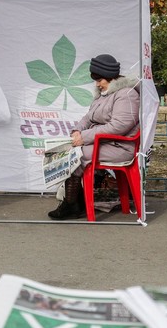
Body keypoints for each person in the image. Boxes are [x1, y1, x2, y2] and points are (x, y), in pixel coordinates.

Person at [48, 54, 141, 220]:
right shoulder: (104, 94)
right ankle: (75, 201)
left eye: (99, 80)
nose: (97, 84)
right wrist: (77, 131)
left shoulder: (127, 95)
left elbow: (118, 126)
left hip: (120, 147)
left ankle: (72, 204)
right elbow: (88, 117)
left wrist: (84, 137)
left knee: (75, 154)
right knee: (65, 151)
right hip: (105, 143)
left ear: (110, 76)